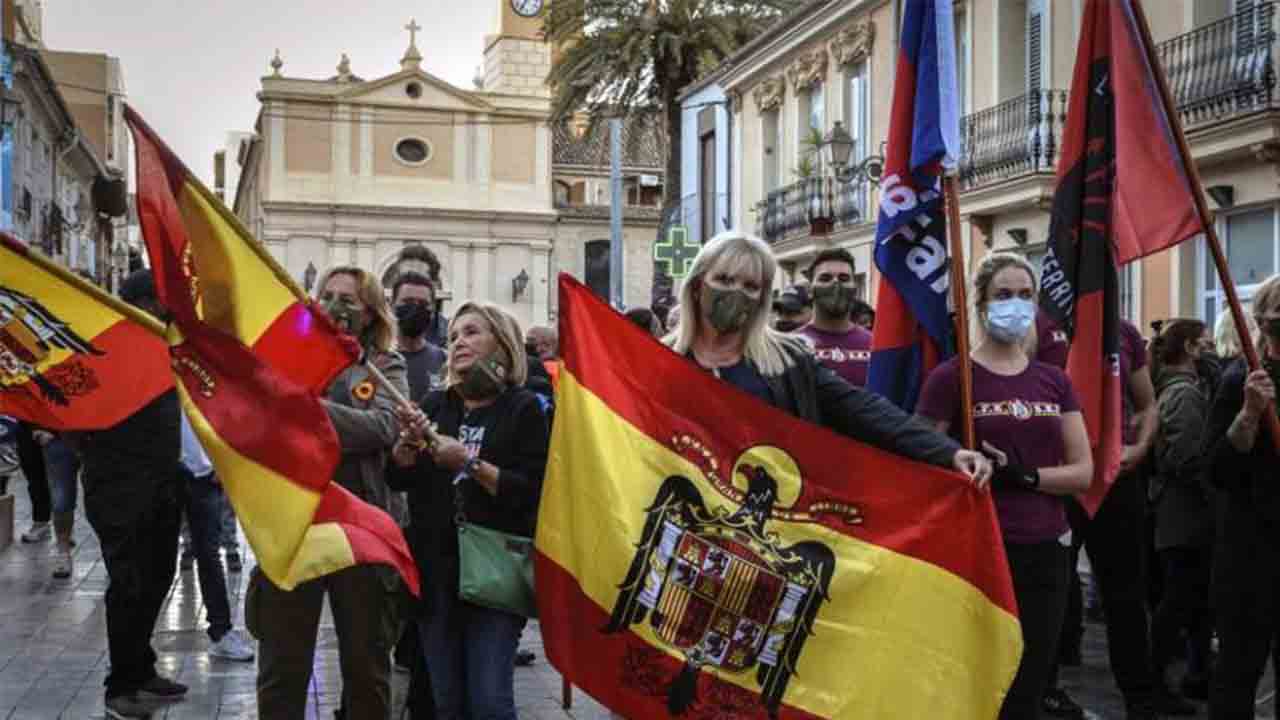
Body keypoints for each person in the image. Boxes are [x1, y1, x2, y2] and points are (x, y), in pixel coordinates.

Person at [916, 252, 1092, 720]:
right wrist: (962, 467)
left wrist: (1026, 476)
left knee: (1029, 682)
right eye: (1003, 295)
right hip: (980, 549)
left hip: (1046, 550)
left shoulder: (1054, 381)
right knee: (976, 679)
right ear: (980, 303)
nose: (1015, 305)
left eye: (1025, 296)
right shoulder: (952, 377)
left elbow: (1082, 472)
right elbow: (921, 460)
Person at [665, 232, 989, 480]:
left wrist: (947, 452)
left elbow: (863, 408)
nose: (737, 292)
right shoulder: (662, 360)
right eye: (724, 280)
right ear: (697, 286)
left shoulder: (788, 361)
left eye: (751, 286)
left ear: (762, 299)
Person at [250, 266, 408, 720]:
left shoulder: (382, 364)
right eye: (328, 295)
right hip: (294, 523)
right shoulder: (287, 357)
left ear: (371, 312)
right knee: (282, 661)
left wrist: (304, 407)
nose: (337, 307)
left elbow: (382, 425)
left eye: (349, 299)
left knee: (366, 662)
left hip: (359, 527)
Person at [390, 302, 550, 720]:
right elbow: (401, 480)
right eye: (455, 335)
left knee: (489, 702)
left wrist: (470, 465)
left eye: (472, 332)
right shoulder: (436, 404)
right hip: (436, 573)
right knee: (448, 704)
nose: (459, 341)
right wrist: (405, 451)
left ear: (502, 343)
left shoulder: (523, 407)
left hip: (494, 575)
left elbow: (532, 490)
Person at [1038, 310, 1176, 719]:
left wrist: (1141, 446)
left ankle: (1140, 693)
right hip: (1061, 482)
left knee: (1127, 594)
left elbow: (1149, 404)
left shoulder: (1126, 333)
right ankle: (1044, 689)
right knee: (1053, 591)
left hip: (1116, 481)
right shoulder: (1039, 327)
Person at [79, 269, 186, 719]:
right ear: (140, 304)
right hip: (119, 488)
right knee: (128, 584)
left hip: (163, 481)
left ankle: (142, 667)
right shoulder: (105, 350)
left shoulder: (164, 348)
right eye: (159, 302)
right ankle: (119, 687)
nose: (166, 310)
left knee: (160, 574)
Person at [1205, 275, 1280, 719]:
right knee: (1238, 668)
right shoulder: (1242, 380)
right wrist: (1249, 415)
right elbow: (1215, 470)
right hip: (1250, 550)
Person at [1146, 319, 1214, 703]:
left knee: (1191, 600)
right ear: (1189, 348)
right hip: (1185, 513)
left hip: (1177, 511)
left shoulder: (1171, 390)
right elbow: (1188, 456)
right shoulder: (1185, 395)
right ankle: (1157, 680)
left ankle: (1195, 673)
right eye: (1203, 345)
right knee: (1179, 600)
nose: (1208, 352)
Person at [176, 409, 255, 662]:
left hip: (203, 475)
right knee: (156, 559)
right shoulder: (151, 380)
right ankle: (135, 645)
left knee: (209, 555)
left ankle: (221, 632)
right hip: (165, 475)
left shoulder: (200, 374)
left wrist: (224, 463)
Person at [800, 249, 873, 387]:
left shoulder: (875, 347)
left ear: (855, 288)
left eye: (844, 278)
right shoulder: (790, 346)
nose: (835, 283)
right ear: (809, 290)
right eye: (825, 278)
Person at [31, 429, 80, 579]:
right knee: (61, 498)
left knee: (104, 498)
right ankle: (63, 551)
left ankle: (113, 554)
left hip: (101, 433)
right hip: (58, 435)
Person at [393, 270, 448, 404]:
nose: (415, 308)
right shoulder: (376, 359)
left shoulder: (445, 361)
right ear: (391, 305)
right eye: (408, 301)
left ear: (433, 309)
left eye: (423, 304)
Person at [15, 420, 50, 542]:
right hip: (27, 427)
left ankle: (64, 529)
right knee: (35, 481)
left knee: (62, 481)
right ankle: (41, 523)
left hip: (56, 426)